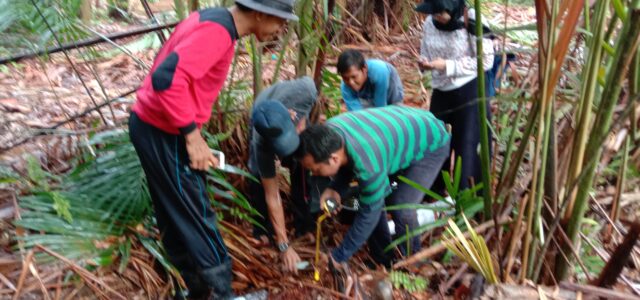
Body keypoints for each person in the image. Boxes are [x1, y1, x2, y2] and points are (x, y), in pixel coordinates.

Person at [128, 1, 296, 299]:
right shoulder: (217, 33)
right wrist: (192, 137)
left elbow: (170, 64)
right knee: (197, 215)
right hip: (164, 133)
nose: (280, 29)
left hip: (156, 127)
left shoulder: (213, 20)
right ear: (260, 13)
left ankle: (198, 292)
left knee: (177, 213)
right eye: (280, 22)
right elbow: (165, 78)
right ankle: (220, 295)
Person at [296, 105, 451, 270]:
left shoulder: (369, 164)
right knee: (371, 199)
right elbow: (348, 161)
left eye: (316, 169)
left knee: (402, 206)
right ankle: (384, 259)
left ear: (333, 159)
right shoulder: (330, 132)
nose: (314, 174)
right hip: (396, 134)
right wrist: (335, 189)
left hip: (431, 142)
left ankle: (413, 261)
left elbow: (369, 214)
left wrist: (339, 255)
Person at [416, 0, 494, 191]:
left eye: (440, 13)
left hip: (469, 90)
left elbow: (486, 61)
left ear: (453, 8)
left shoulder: (472, 21)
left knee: (467, 145)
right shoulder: (429, 22)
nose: (435, 17)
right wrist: (424, 63)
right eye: (432, 13)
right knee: (436, 141)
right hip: (441, 89)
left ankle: (466, 195)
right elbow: (425, 49)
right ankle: (433, 190)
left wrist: (448, 66)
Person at [247, 76, 318, 274]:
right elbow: (273, 195)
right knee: (257, 177)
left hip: (291, 110)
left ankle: (304, 224)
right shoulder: (260, 141)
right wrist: (284, 245)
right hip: (261, 107)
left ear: (292, 113)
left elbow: (315, 105)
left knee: (303, 166)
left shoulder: (306, 91)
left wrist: (307, 126)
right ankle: (262, 229)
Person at [337, 49, 404, 111]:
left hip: (389, 89)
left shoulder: (379, 71)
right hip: (368, 97)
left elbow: (381, 107)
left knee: (395, 112)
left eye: (354, 77)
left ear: (364, 69)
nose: (351, 82)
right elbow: (356, 114)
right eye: (345, 78)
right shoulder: (345, 89)